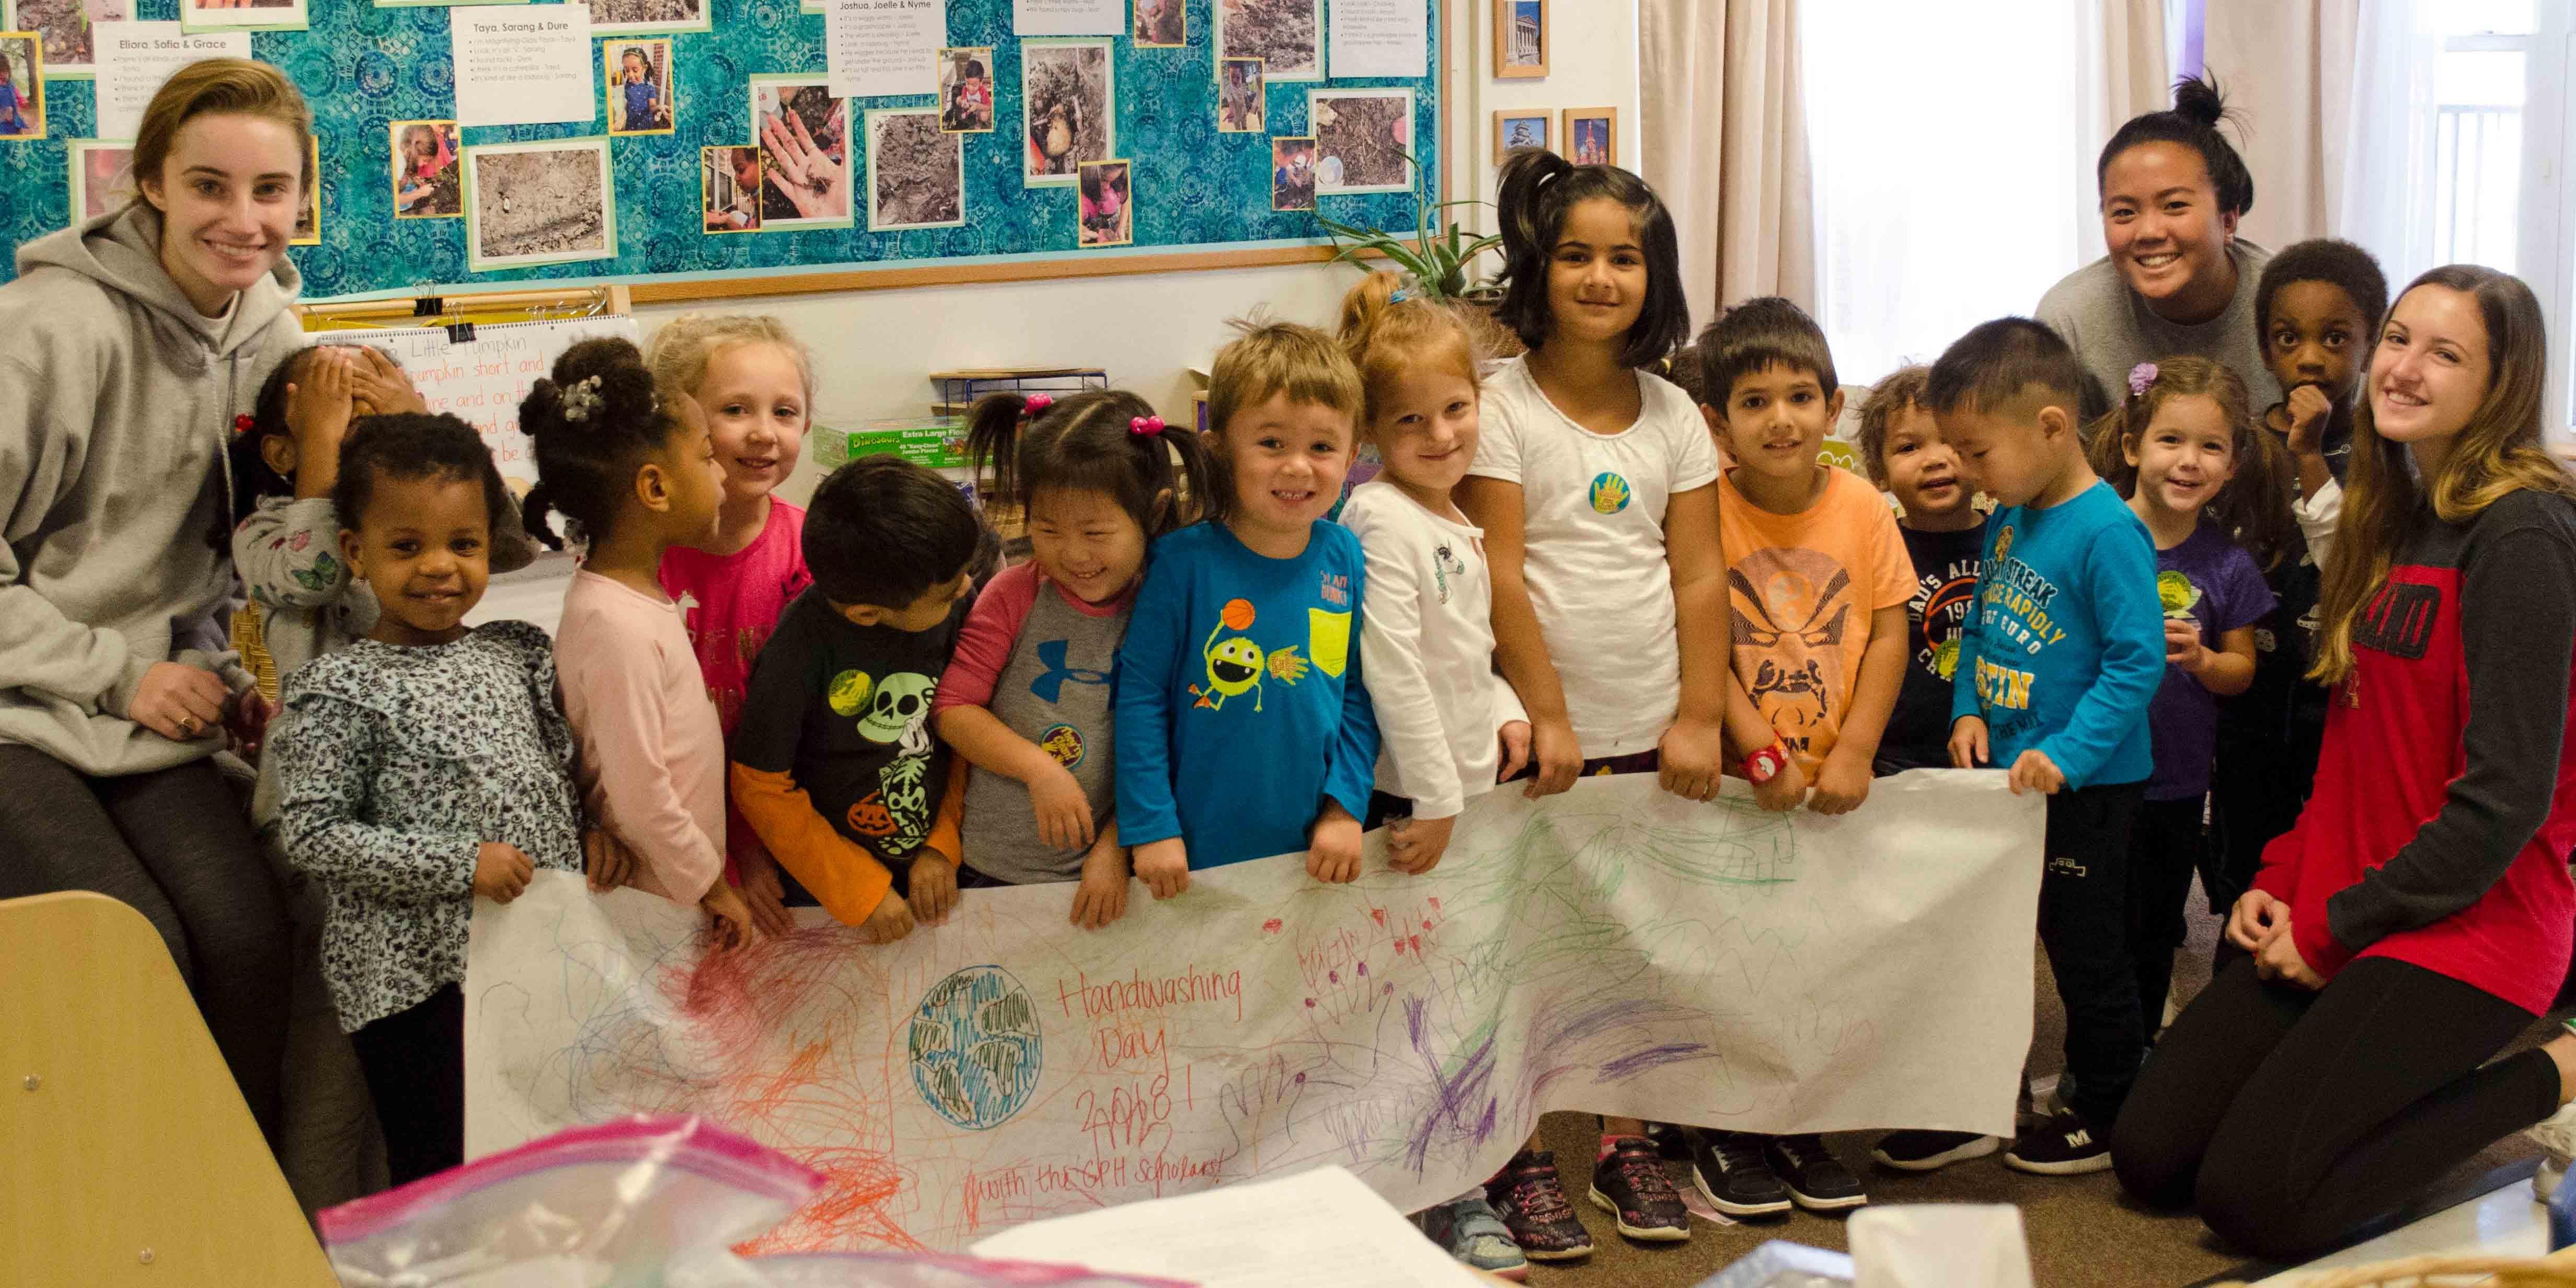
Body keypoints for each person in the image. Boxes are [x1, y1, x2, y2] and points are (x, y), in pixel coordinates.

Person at [2112, 265, 2576, 1259]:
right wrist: (2281, 878)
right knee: (2151, 1158)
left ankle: (2556, 1071)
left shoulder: (2523, 534)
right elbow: (2354, 746)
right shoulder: (2393, 513)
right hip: (2346, 895)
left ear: (2501, 382)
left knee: (2252, 1200)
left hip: (2468, 926)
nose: (2403, 368)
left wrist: (2331, 928)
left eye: (2444, 353)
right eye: (2400, 339)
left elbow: (2502, 803)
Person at [0, 58, 318, 1157]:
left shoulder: (273, 335)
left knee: (247, 936)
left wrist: (218, 678)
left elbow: (227, 559)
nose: (242, 220)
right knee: (125, 953)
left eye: (270, 191)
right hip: (19, 704)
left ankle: (235, 1212)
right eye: (208, 186)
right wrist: (117, 669)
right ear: (148, 185)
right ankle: (131, 1217)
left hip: (144, 711)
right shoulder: (50, 325)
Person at [1454, 148, 1722, 1254]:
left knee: (1631, 942)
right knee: (1518, 944)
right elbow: (1501, 572)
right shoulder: (1499, 408)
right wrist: (1546, 711)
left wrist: (1699, 713)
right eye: (1576, 255)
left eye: (1624, 258)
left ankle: (1625, 1140)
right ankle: (1514, 1153)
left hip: (1650, 728)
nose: (1601, 278)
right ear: (1538, 266)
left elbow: (1700, 573)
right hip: (1534, 736)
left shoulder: (1674, 413)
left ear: (1654, 275)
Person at [269, 413, 591, 1188]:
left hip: (530, 962)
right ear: (356, 553)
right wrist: (458, 862)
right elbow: (313, 835)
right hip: (416, 990)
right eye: (407, 547)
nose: (440, 568)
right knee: (446, 1176)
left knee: (541, 1164)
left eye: (464, 545)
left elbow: (553, 775)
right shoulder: (338, 688)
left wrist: (595, 832)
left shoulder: (515, 653)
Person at [1690, 297, 1913, 1215]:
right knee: (1731, 960)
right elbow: (1695, 635)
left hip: (1831, 786)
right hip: (1739, 786)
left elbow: (1892, 630)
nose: (1779, 417)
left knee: (1819, 960)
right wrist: (1757, 747)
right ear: (1718, 423)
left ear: (1830, 405)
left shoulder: (1862, 505)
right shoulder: (1700, 507)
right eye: (1753, 400)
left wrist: (1855, 745)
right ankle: (1722, 1130)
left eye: (1798, 396)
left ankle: (1798, 1122)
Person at [1331, 271, 1533, 1278]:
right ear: (1372, 429)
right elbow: (1391, 666)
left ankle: (1453, 1182)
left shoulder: (1448, 516)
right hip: (1412, 806)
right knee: (1411, 1004)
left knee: (1459, 996)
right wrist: (1440, 796)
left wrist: (1502, 710)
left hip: (1460, 797)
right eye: (1412, 419)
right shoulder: (1378, 517)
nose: (1442, 433)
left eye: (1456, 409)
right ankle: (1436, 1195)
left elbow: (1465, 652)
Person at [1929, 318, 2164, 1176]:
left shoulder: (2105, 531)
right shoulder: (2008, 518)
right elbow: (1982, 624)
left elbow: (2139, 660)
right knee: (1999, 937)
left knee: (2083, 947)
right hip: (2010, 777)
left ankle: (2110, 1102)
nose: (1962, 469)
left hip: (2087, 787)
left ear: (2051, 429)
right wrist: (1967, 708)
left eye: (1975, 450)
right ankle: (1996, 1092)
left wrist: (2067, 753)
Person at [1112, 319, 1380, 889]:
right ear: (1217, 448)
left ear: (1352, 453)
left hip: (1311, 853)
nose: (1298, 466)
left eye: (1322, 446)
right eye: (1271, 443)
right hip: (1188, 851)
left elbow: (1354, 689)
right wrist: (1150, 825)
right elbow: (1139, 697)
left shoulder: (1344, 557)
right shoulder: (1180, 563)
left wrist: (1345, 806)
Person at [936, 388, 1215, 923]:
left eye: (1096, 532)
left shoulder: (1165, 604)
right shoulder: (1014, 593)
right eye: (1047, 530)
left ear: (1153, 513)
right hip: (992, 869)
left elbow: (1173, 740)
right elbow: (953, 709)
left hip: (1109, 873)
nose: (1072, 553)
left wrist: (1116, 846)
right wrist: (1039, 769)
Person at [529, 339, 763, 947]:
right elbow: (638, 795)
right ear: (655, 488)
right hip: (650, 903)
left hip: (672, 888)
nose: (719, 475)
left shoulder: (634, 600)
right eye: (707, 457)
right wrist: (711, 885)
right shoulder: (614, 624)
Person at [2083, 356, 2285, 1037]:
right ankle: (2088, 1059)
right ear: (2134, 444)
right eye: (2171, 440)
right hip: (2087, 775)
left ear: (2232, 465)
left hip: (2173, 786)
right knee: (2085, 929)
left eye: (2211, 446)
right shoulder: (2092, 536)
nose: (2189, 460)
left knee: (2150, 929)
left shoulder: (2227, 563)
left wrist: (2201, 659)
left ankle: (2135, 1053)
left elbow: (2243, 670)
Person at [2206, 240, 2390, 920]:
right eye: (2289, 338)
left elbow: (2352, 560)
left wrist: (2310, 455)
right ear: (2264, 347)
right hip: (2250, 687)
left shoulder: (2386, 451)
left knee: (2328, 845)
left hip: (2337, 691)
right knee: (2245, 844)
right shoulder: (2242, 443)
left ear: (2371, 345)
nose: (2310, 357)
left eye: (2335, 338)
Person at [1852, 365, 2003, 1175]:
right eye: (1911, 447)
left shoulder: (2010, 537)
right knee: (1898, 933)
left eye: (1950, 441)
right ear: (1880, 470)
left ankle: (1964, 1099)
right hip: (1890, 760)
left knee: (1974, 937)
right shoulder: (1878, 541)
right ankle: (1901, 1083)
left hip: (1985, 769)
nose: (1936, 459)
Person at [729, 455, 979, 944]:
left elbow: (968, 727)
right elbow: (760, 786)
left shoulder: (950, 604)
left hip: (939, 870)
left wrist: (942, 843)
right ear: (867, 613)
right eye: (949, 592)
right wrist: (856, 887)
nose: (968, 590)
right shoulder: (796, 652)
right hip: (829, 893)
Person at [647, 313, 818, 940]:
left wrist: (759, 844)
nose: (763, 434)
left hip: (784, 819)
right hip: (672, 823)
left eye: (784, 412)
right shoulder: (644, 554)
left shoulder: (811, 547)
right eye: (736, 409)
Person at [2037, 75, 2281, 421]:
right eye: (2124, 212)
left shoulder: (2290, 300)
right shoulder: (2069, 320)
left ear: (2228, 220)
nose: (2149, 232)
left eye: (2175, 206)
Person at [616, 47, 663, 133]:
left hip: (645, 125)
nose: (630, 75)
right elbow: (629, 104)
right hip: (631, 124)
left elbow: (652, 107)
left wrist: (658, 109)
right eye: (627, 70)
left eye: (635, 70)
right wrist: (622, 118)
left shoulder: (649, 87)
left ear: (644, 68)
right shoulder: (628, 85)